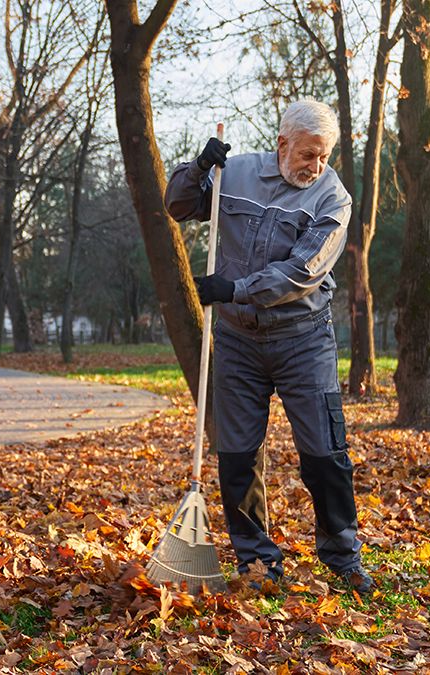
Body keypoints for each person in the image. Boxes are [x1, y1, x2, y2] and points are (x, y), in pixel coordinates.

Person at [163, 99, 372, 594]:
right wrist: (197, 169)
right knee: (237, 456)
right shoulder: (233, 174)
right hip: (237, 341)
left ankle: (343, 557)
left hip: (303, 339)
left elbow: (305, 270)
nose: (315, 167)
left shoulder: (332, 198)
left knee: (325, 453)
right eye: (307, 155)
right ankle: (258, 563)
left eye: (323, 157)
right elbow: (178, 205)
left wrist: (234, 289)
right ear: (282, 144)